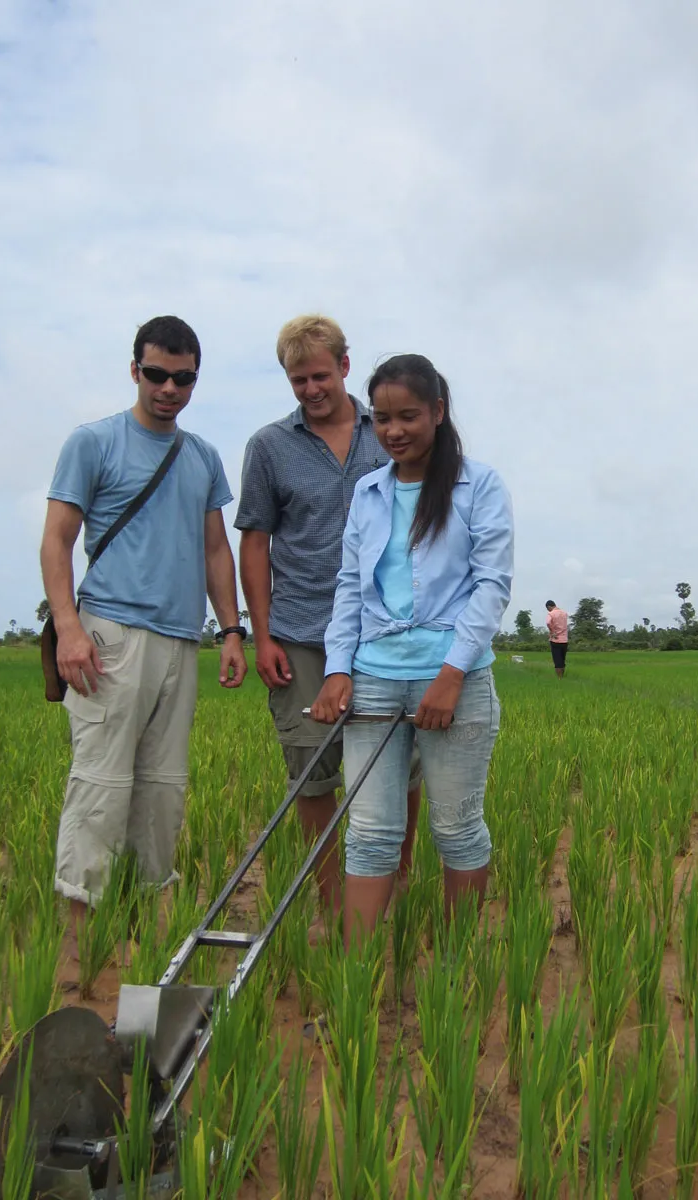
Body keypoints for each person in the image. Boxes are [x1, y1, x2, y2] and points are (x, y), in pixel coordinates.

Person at [42, 315, 247, 957]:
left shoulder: (203, 458)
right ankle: (78, 937)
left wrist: (232, 630)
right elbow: (57, 539)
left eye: (182, 379)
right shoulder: (94, 442)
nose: (168, 389)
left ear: (194, 380)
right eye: (156, 374)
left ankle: (149, 920)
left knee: (163, 788)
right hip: (110, 635)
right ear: (135, 369)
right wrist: (69, 629)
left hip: (181, 640)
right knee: (101, 782)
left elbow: (217, 549)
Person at [310, 353, 513, 947]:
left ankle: (458, 970)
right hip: (374, 678)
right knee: (370, 832)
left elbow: (491, 584)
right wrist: (337, 670)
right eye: (381, 419)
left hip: (455, 679)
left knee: (455, 828)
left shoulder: (480, 485)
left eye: (408, 416)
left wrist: (451, 675)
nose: (394, 431)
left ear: (439, 412)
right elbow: (350, 587)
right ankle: (358, 980)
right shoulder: (369, 493)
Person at [236, 316, 422, 933]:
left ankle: (395, 883)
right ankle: (332, 898)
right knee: (311, 771)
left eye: (320, 374)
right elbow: (255, 542)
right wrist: (261, 636)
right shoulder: (269, 447)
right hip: (301, 632)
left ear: (345, 366)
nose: (311, 389)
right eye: (298, 380)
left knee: (403, 764)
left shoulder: (389, 433)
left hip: (389, 632)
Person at [546, 600, 569, 677]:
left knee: (557, 660)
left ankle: (559, 679)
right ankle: (562, 676)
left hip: (555, 640)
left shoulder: (551, 613)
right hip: (565, 640)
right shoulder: (564, 613)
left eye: (547, 608)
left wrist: (552, 631)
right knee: (562, 660)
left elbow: (548, 623)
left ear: (549, 606)